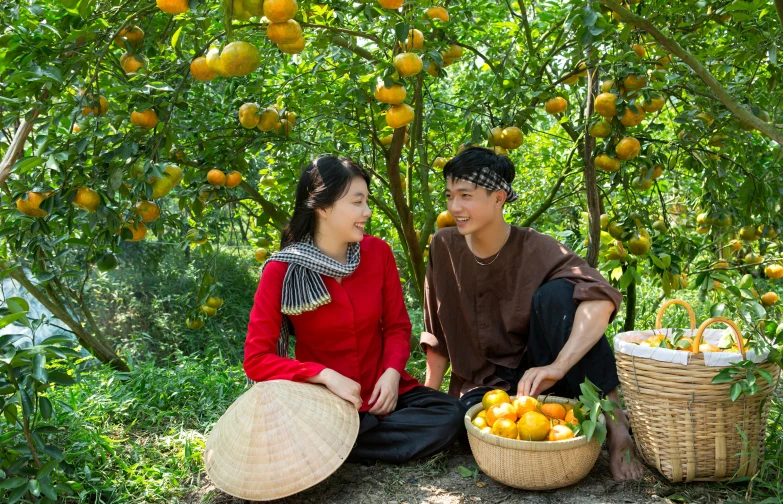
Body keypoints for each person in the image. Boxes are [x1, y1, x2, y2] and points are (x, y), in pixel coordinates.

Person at [420, 147, 645, 481]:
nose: (455, 207)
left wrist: (557, 366)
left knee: (558, 294)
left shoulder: (538, 247)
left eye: (465, 196)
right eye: (450, 196)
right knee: (465, 430)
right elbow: (436, 330)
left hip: (548, 379)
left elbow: (601, 299)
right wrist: (430, 400)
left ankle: (616, 425)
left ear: (498, 198)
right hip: (487, 386)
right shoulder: (443, 245)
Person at [244, 155, 465, 464]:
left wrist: (390, 374)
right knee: (325, 427)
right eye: (357, 202)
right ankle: (345, 438)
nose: (367, 212)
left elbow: (398, 327)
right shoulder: (282, 270)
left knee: (451, 414)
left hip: (384, 393)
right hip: (326, 401)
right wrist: (323, 375)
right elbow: (257, 360)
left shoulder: (378, 253)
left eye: (366, 202)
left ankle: (341, 447)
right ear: (322, 206)